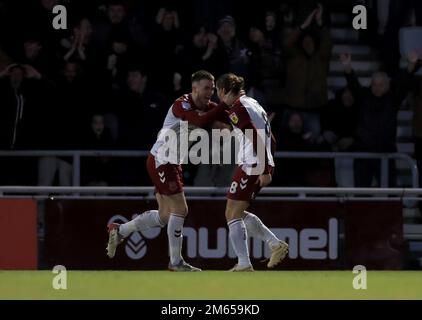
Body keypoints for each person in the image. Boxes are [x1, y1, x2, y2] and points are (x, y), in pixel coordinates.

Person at [106, 70, 237, 271]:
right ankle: (175, 262)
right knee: (181, 210)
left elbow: (227, 118)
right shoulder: (182, 104)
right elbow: (201, 121)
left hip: (171, 162)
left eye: (212, 89)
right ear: (194, 89)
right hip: (162, 160)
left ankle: (120, 230)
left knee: (165, 216)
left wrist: (249, 120)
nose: (209, 92)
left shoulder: (209, 106)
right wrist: (223, 106)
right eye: (206, 88)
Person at [215, 73, 289, 271]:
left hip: (253, 164)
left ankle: (245, 263)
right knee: (234, 212)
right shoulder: (254, 103)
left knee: (232, 213)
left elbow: (255, 137)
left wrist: (264, 169)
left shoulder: (237, 108)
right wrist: (269, 163)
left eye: (218, 93)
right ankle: (273, 245)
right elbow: (270, 137)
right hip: (255, 162)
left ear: (223, 91)